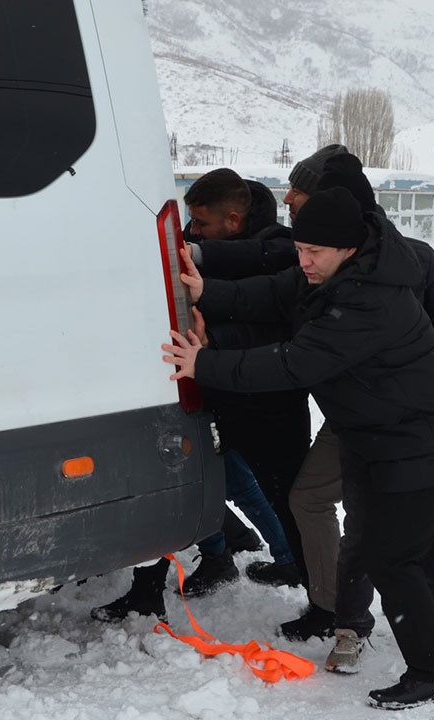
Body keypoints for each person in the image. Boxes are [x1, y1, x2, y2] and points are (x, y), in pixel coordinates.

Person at [163, 187, 434, 709]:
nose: (301, 262)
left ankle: (431, 674)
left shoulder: (368, 300)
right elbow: (275, 291)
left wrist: (205, 365)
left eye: (313, 254)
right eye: (299, 249)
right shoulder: (342, 271)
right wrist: (206, 289)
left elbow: (293, 362)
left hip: (426, 447)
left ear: (347, 248)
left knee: (391, 558)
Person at [280, 148, 434, 673]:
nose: (295, 214)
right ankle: (346, 620)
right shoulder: (309, 262)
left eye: (303, 203)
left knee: (421, 518)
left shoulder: (411, 258)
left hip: (417, 419)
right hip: (352, 419)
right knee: (349, 514)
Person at [90, 169, 309, 622]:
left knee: (281, 497)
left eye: (202, 225)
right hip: (210, 387)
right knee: (198, 478)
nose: (193, 233)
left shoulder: (277, 249)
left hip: (263, 402)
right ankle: (181, 573)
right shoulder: (221, 239)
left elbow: (269, 319)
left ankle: (319, 590)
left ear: (232, 219)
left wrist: (214, 338)